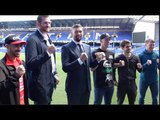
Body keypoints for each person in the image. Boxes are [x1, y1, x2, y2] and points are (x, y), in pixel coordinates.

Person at [25, 15, 59, 105]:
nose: (48, 25)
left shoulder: (48, 38)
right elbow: (30, 64)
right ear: (38, 24)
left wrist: (55, 73)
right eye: (45, 23)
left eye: (49, 23)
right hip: (40, 86)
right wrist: (47, 53)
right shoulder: (32, 39)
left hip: (49, 82)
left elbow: (51, 61)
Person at [61, 24, 97, 105]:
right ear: (72, 33)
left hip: (86, 88)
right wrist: (79, 60)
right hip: (74, 88)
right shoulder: (66, 48)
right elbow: (65, 68)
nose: (78, 33)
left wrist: (98, 59)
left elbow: (91, 64)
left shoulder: (87, 47)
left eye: (80, 31)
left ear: (83, 32)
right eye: (76, 32)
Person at [0, 35, 28, 105]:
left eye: (20, 46)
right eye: (16, 46)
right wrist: (16, 75)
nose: (19, 48)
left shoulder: (21, 63)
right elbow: (2, 88)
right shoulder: (1, 65)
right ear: (7, 46)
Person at [91, 33, 117, 105]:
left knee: (108, 103)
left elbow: (113, 67)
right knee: (97, 102)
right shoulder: (95, 53)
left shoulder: (111, 53)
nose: (108, 41)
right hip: (99, 84)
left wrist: (114, 79)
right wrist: (98, 59)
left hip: (110, 84)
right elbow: (92, 69)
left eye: (109, 40)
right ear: (101, 41)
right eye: (106, 40)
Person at [114, 40, 142, 105]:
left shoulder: (136, 57)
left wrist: (140, 67)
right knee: (120, 102)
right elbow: (112, 68)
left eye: (130, 46)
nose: (129, 48)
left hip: (132, 84)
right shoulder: (119, 57)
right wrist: (114, 79)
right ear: (122, 48)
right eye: (127, 47)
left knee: (132, 102)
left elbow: (140, 71)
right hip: (121, 84)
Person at [138, 39, 159, 105]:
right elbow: (140, 69)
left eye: (153, 45)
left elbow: (158, 66)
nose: (152, 46)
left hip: (154, 80)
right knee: (141, 97)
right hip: (144, 80)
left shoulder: (156, 54)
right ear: (145, 45)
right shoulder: (141, 55)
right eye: (150, 45)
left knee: (155, 98)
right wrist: (146, 64)